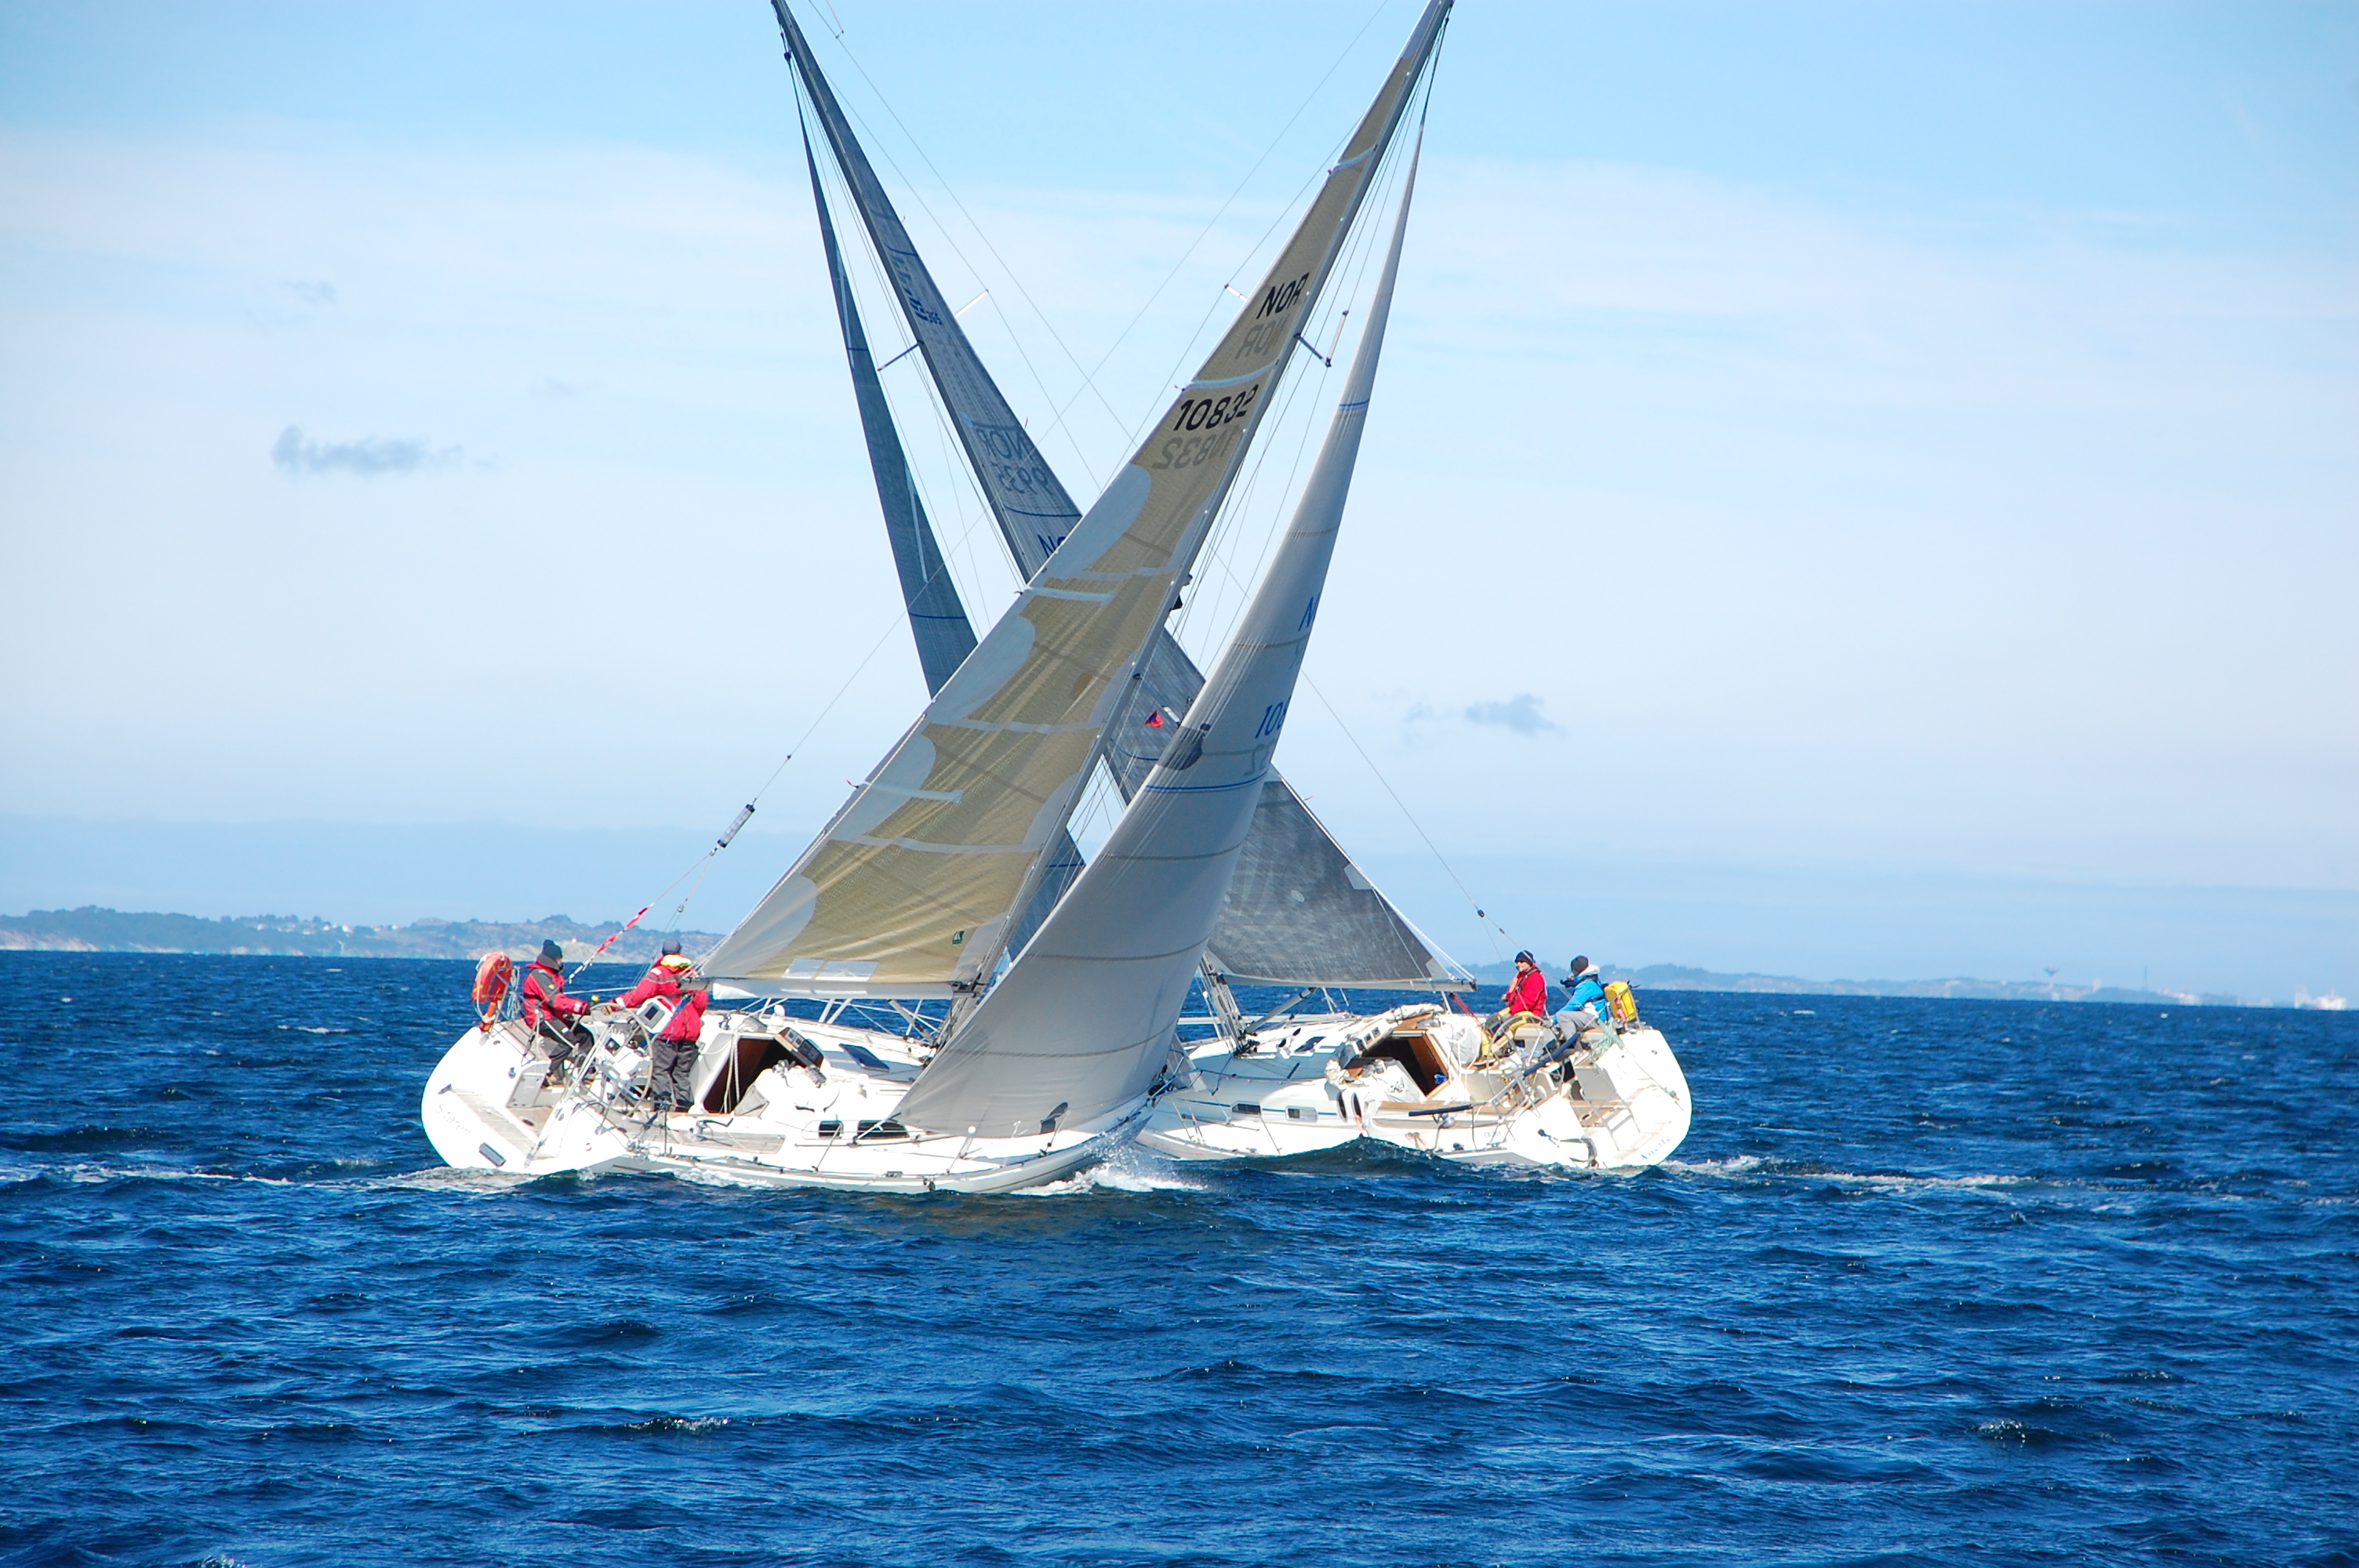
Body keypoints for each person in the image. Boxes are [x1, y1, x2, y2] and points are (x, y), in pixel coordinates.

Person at [619, 942, 710, 1112]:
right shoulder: (692, 973)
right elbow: (701, 1001)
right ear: (680, 953)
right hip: (690, 1031)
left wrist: (615, 1003)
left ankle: (663, 1107)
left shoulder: (659, 973)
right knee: (681, 1073)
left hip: (667, 1030)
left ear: (663, 953)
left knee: (661, 1070)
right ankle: (684, 1108)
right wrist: (692, 1020)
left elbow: (638, 996)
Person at [520, 939, 594, 1074]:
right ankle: (549, 1072)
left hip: (554, 1016)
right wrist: (580, 1007)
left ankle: (586, 1072)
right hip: (542, 1018)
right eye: (559, 959)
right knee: (569, 1041)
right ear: (552, 960)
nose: (561, 962)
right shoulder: (539, 975)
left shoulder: (551, 975)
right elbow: (555, 1001)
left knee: (585, 1036)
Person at [1486, 951, 1550, 1037]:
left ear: (1529, 962)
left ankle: (1504, 1048)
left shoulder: (1535, 978)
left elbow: (1528, 1002)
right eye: (1517, 962)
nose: (1518, 964)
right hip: (1517, 1010)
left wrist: (1512, 1012)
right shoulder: (1523, 976)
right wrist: (1508, 997)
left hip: (1531, 1014)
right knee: (1493, 1019)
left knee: (1507, 1024)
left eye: (1521, 962)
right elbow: (1517, 994)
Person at [1558, 956, 1613, 1039]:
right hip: (1598, 1017)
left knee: (1562, 1016)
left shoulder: (1585, 986)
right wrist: (1569, 982)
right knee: (1562, 1017)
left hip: (1595, 1019)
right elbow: (1580, 982)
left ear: (1575, 970)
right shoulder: (1593, 979)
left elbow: (1573, 1006)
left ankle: (1574, 1046)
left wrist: (1553, 1020)